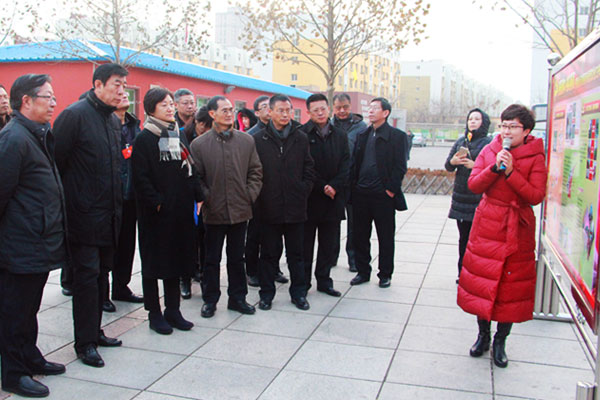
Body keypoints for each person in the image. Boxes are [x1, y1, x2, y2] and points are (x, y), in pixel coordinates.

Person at [458, 104, 547, 369]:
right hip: (487, 224)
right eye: (504, 125)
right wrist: (494, 169)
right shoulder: (490, 149)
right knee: (482, 282)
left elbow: (535, 196)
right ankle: (482, 335)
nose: (506, 131)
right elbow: (474, 184)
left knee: (510, 289)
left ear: (526, 130)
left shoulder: (535, 156)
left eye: (513, 127)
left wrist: (511, 173)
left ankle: (500, 341)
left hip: (516, 227)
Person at [54, 63, 127, 368]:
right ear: (98, 85)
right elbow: (57, 164)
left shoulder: (111, 120)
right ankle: (84, 343)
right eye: (116, 84)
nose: (122, 91)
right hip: (83, 217)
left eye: (124, 85)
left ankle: (95, 332)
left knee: (101, 278)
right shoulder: (73, 116)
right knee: (85, 280)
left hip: (109, 215)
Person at [0, 74, 66, 398]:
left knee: (29, 308)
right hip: (19, 244)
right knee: (14, 312)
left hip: (38, 241)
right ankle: (14, 373)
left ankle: (30, 357)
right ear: (26, 101)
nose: (53, 103)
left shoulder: (38, 135)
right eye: (48, 97)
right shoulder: (13, 139)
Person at [132, 87, 203, 335]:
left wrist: (197, 195)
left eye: (171, 103)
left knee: (176, 261)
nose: (170, 107)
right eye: (164, 104)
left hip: (179, 212)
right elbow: (140, 178)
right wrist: (157, 202)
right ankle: (154, 313)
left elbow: (187, 168)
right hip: (156, 215)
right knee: (154, 265)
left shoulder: (176, 134)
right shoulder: (144, 138)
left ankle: (174, 310)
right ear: (151, 109)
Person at [191, 96, 263, 318]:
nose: (229, 113)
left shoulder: (246, 141)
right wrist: (208, 197)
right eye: (224, 110)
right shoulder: (200, 145)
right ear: (212, 114)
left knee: (236, 257)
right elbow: (197, 179)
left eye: (231, 109)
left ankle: (238, 298)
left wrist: (249, 195)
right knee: (211, 259)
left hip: (240, 211)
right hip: (214, 212)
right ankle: (210, 300)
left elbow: (256, 172)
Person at [253, 94, 315, 311]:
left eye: (289, 110)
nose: (286, 114)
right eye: (281, 110)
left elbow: (309, 168)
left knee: (297, 254)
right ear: (269, 112)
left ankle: (298, 293)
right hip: (268, 208)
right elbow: (253, 173)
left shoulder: (300, 138)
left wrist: (303, 190)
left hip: (296, 208)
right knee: (269, 254)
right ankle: (266, 294)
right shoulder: (258, 140)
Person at [349, 97, 407, 288]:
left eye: (375, 108)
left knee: (385, 236)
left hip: (383, 196)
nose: (371, 111)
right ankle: (363, 271)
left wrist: (390, 190)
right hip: (361, 195)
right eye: (370, 108)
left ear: (386, 113)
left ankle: (385, 274)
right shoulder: (363, 135)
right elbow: (355, 164)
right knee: (360, 235)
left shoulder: (397, 136)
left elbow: (400, 167)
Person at [301, 93, 349, 297]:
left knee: (328, 244)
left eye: (323, 109)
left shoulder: (340, 134)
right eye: (315, 110)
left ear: (328, 109)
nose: (320, 113)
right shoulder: (301, 134)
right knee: (305, 245)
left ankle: (324, 280)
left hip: (333, 198)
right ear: (308, 112)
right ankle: (302, 284)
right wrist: (322, 186)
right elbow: (303, 166)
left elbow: (347, 164)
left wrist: (335, 186)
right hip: (310, 198)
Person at [102, 93, 144, 313]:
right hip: (109, 196)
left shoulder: (134, 125)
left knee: (127, 244)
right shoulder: (104, 124)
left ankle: (121, 287)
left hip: (131, 195)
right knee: (109, 246)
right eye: (117, 92)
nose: (123, 95)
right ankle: (102, 292)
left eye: (126, 93)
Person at [444, 108, 492, 283]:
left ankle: (476, 273)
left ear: (484, 122)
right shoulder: (460, 141)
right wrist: (453, 162)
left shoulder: (489, 143)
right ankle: (462, 273)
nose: (472, 122)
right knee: (463, 238)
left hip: (478, 199)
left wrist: (475, 166)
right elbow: (448, 166)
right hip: (460, 197)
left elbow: (493, 169)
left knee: (477, 240)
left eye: (477, 119)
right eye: (470, 118)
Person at [246, 95, 288, 287]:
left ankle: (274, 268)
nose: (266, 110)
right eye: (262, 107)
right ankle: (252, 270)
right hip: (258, 194)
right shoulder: (252, 136)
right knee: (255, 234)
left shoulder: (285, 132)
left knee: (276, 236)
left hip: (279, 195)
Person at [180, 106, 213, 299]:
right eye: (205, 127)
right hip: (188, 196)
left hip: (205, 195)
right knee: (187, 239)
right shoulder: (182, 136)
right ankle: (185, 278)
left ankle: (200, 272)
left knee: (204, 238)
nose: (207, 132)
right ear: (199, 123)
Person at [332, 93, 367, 272]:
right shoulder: (328, 125)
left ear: (350, 106)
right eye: (338, 107)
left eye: (345, 107)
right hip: (334, 182)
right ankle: (331, 256)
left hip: (354, 182)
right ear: (333, 108)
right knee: (332, 221)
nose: (342, 111)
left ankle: (353, 259)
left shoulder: (361, 127)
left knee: (355, 224)